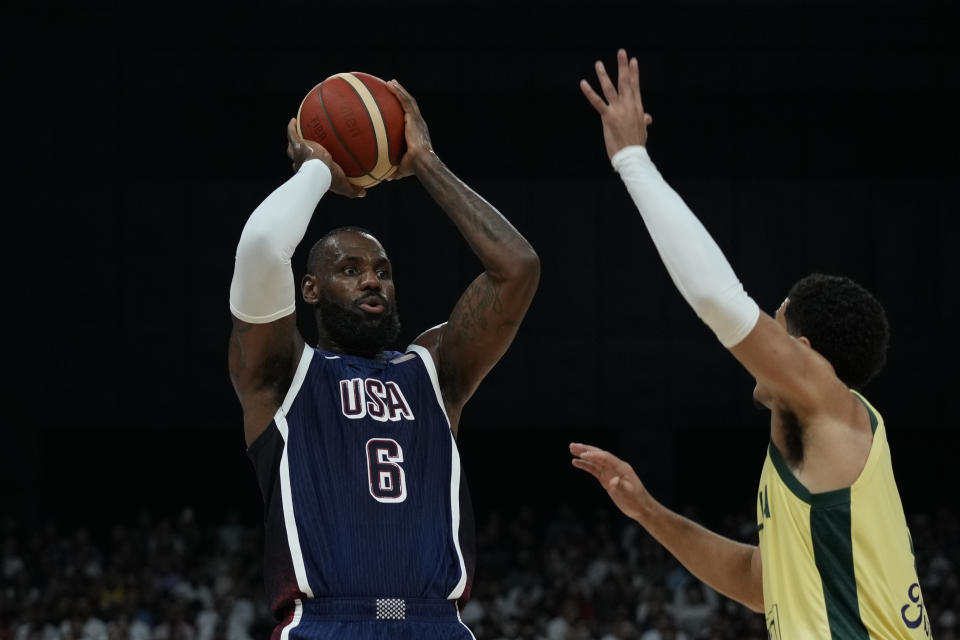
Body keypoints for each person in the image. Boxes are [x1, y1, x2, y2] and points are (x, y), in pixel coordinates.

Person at [570, 49, 931, 639]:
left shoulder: (826, 402)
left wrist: (633, 159)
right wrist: (647, 511)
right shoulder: (818, 454)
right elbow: (760, 581)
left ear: (808, 352)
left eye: (777, 318)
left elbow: (719, 301)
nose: (763, 327)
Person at [228, 78, 539, 639]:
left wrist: (424, 162)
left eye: (382, 270)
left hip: (437, 624)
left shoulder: (435, 369)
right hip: (325, 623)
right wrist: (317, 171)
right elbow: (260, 248)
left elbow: (517, 267)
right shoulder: (281, 375)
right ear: (311, 290)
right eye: (349, 269)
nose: (372, 279)